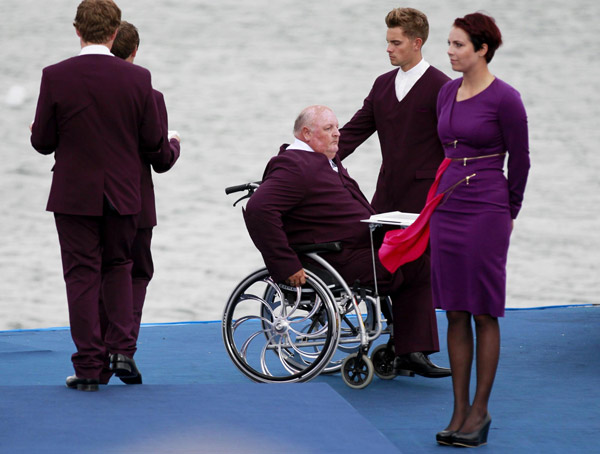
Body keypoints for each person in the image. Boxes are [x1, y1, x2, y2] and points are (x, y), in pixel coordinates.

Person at [243, 105, 450, 379]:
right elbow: (259, 209)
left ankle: (408, 349)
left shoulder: (323, 159)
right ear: (306, 133)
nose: (337, 135)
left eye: (336, 128)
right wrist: (285, 264)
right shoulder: (294, 165)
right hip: (334, 258)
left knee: (419, 255)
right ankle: (410, 351)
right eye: (328, 129)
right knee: (415, 265)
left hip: (357, 246)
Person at [30, 0, 167, 391]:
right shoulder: (138, 79)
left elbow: (42, 142)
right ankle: (121, 349)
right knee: (120, 267)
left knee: (81, 276)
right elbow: (152, 141)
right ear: (114, 31)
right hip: (124, 192)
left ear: (77, 30)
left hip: (74, 193)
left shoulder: (55, 76)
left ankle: (89, 366)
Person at [431, 13, 530, 447]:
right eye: (449, 44)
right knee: (454, 310)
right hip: (447, 206)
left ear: (482, 49)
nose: (450, 52)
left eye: (458, 45)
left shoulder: (506, 99)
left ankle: (480, 410)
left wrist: (509, 210)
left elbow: (521, 161)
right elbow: (442, 149)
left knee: (483, 309)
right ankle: (457, 410)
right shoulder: (446, 92)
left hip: (488, 207)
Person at [337, 7, 451, 373]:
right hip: (385, 195)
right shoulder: (383, 85)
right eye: (388, 42)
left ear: (417, 43)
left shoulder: (442, 87)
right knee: (384, 265)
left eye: (396, 43)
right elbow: (355, 130)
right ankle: (401, 345)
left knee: (418, 265)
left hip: (424, 197)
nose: (388, 49)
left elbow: (455, 143)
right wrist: (314, 158)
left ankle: (413, 350)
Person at [97, 21, 181, 385]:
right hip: (136, 202)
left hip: (91, 201)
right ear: (134, 52)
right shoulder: (150, 94)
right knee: (136, 273)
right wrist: (173, 143)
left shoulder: (87, 91)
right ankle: (123, 350)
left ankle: (99, 354)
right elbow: (159, 158)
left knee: (99, 274)